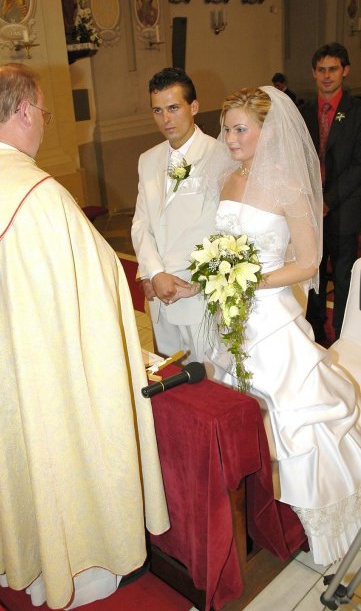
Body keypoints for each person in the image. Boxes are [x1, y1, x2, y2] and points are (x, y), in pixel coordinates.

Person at [0, 63, 169, 609]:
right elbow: (98, 283)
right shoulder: (35, 194)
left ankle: (31, 558)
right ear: (22, 112)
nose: (44, 122)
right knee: (59, 449)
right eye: (43, 112)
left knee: (19, 453)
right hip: (44, 372)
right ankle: (84, 564)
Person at [201, 85, 361, 565]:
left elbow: (308, 263)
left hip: (270, 314)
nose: (230, 139)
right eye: (226, 129)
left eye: (240, 129)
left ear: (267, 132)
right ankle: (262, 512)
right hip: (234, 315)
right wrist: (218, 278)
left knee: (294, 415)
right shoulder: (227, 180)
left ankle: (322, 521)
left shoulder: (288, 185)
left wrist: (250, 280)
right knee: (240, 408)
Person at [131, 67, 226, 363]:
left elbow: (223, 231)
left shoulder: (221, 156)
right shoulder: (148, 160)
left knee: (210, 381)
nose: (166, 119)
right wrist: (152, 272)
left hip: (197, 295)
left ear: (193, 107)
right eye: (157, 110)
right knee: (171, 378)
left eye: (173, 108)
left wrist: (184, 282)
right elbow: (141, 223)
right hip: (160, 296)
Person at [300, 42, 361, 344]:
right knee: (313, 275)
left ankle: (342, 337)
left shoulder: (357, 111)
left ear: (345, 71)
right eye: (321, 70)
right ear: (313, 72)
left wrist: (328, 201)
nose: (326, 76)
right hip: (309, 210)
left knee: (343, 277)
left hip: (344, 208)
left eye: (333, 69)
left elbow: (359, 164)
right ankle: (314, 334)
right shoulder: (303, 113)